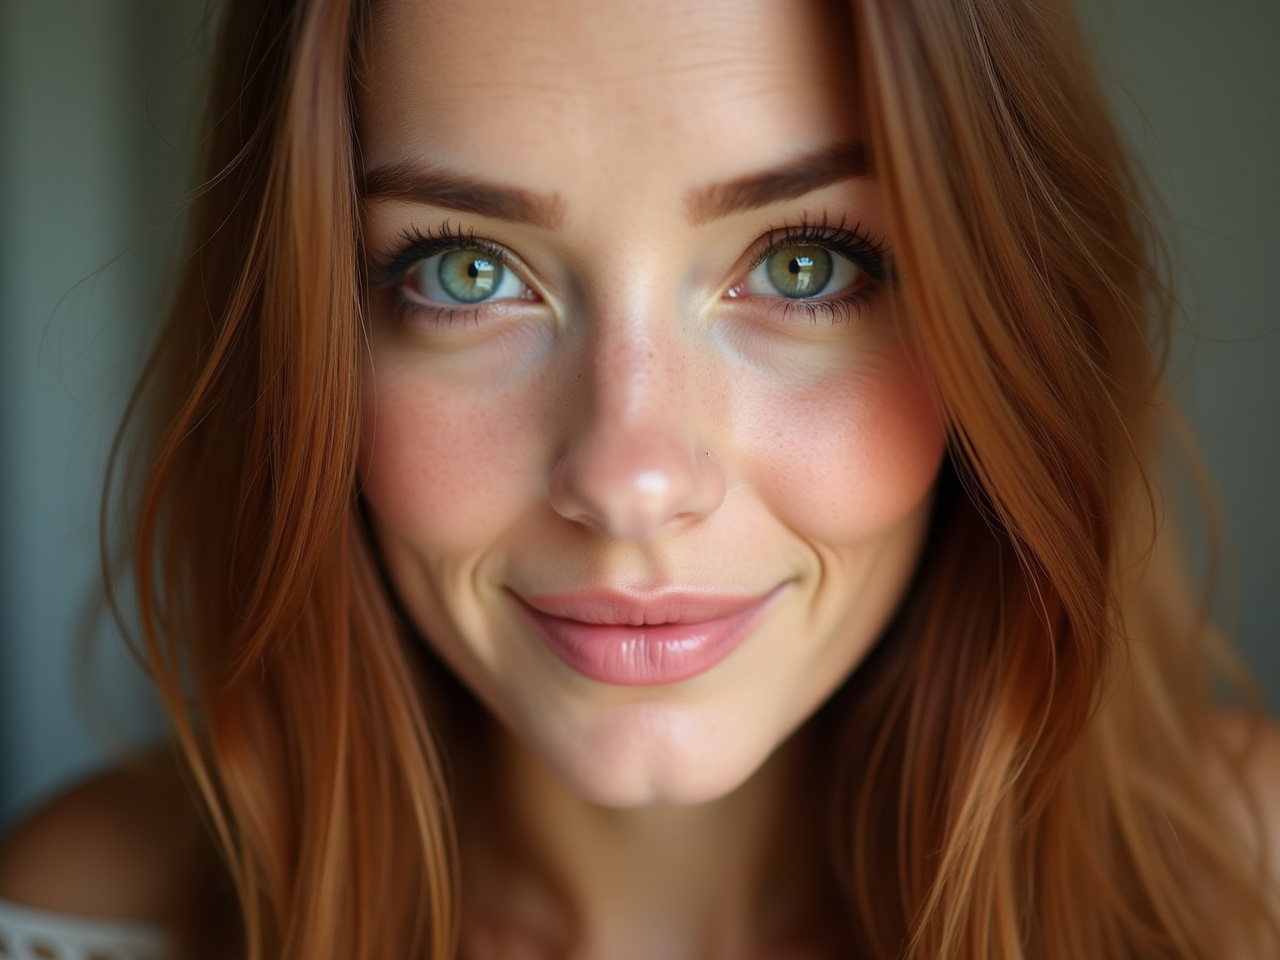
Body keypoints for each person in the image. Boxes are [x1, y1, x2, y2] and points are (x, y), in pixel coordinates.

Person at [1, 0, 1278, 957]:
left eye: (801, 264)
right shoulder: (98, 914)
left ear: (1009, 329)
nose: (629, 481)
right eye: (463, 272)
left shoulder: (1248, 881)